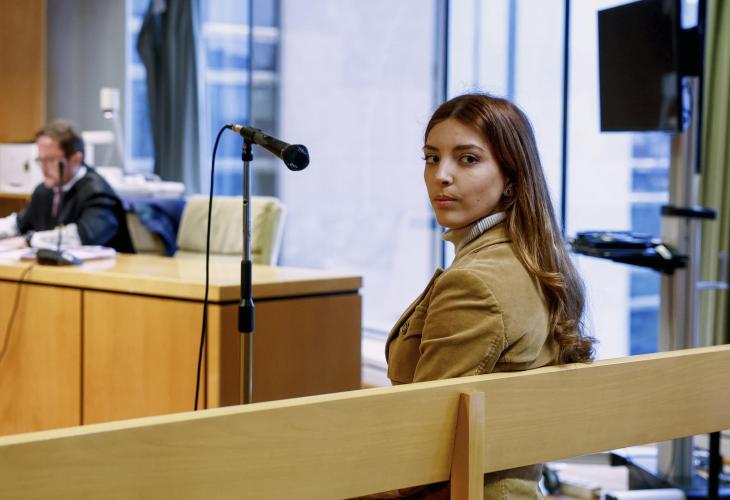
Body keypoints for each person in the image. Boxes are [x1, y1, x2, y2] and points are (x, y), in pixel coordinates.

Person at [382, 94, 595, 499]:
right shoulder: (531, 259)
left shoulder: (474, 284)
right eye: (431, 158)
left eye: (468, 159)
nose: (442, 175)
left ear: (511, 177)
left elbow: (422, 455)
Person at [0, 119, 134, 253]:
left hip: (109, 266)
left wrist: (29, 240)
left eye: (51, 160)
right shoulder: (44, 190)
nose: (43, 168)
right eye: (40, 160)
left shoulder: (98, 193)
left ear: (76, 159)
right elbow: (18, 224)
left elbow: (82, 237)